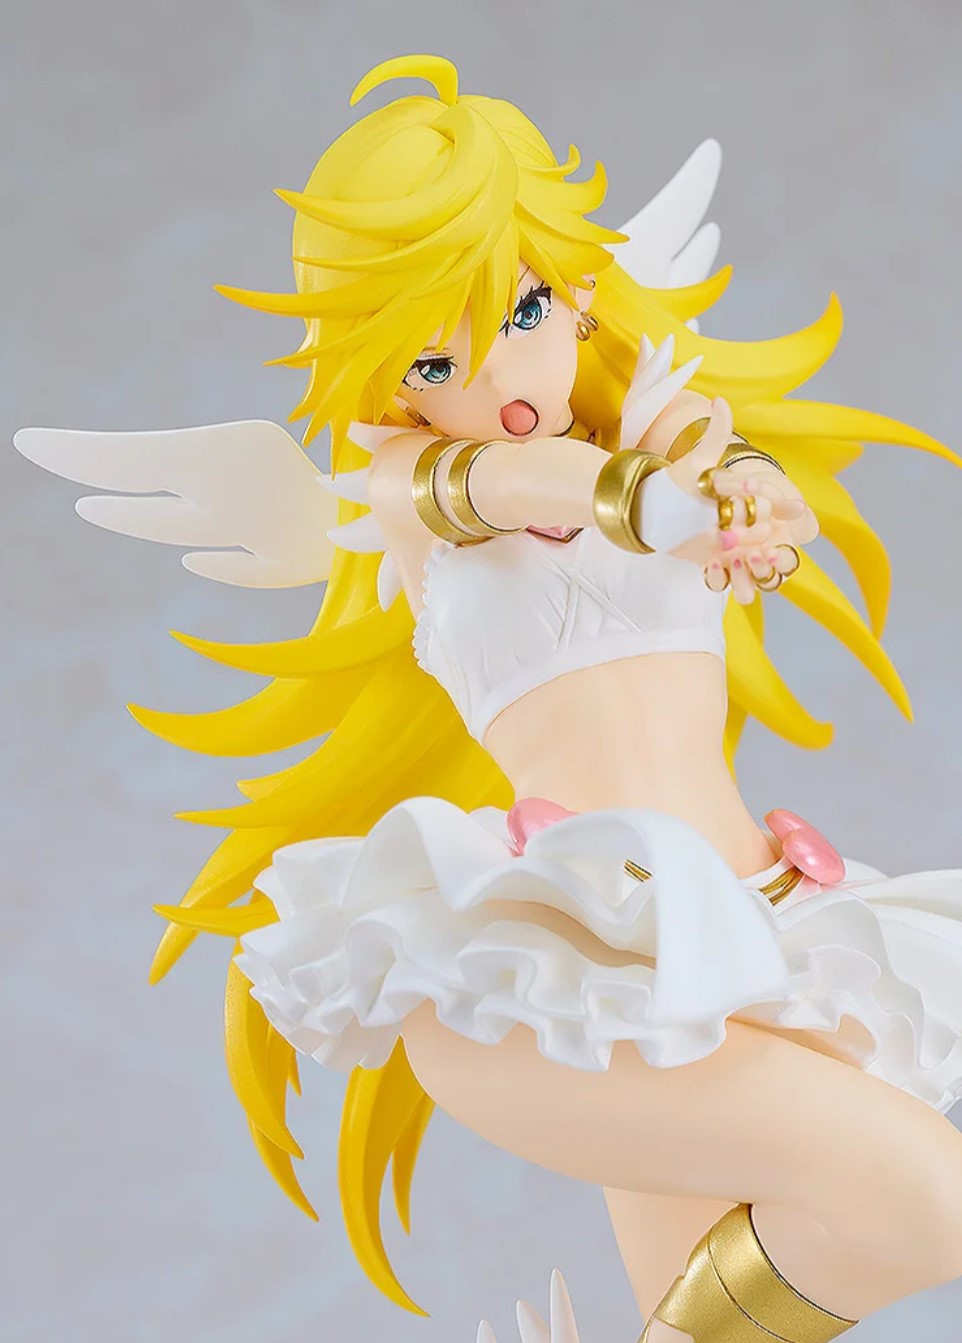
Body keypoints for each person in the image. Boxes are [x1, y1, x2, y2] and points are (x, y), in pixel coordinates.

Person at [16, 51, 962, 1343]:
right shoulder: (409, 487)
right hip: (555, 961)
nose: (494, 381)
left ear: (578, 295)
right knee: (924, 1199)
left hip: (756, 938)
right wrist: (645, 497)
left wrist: (752, 498)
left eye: (518, 314)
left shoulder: (659, 425)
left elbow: (734, 472)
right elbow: (511, 488)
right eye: (431, 358)